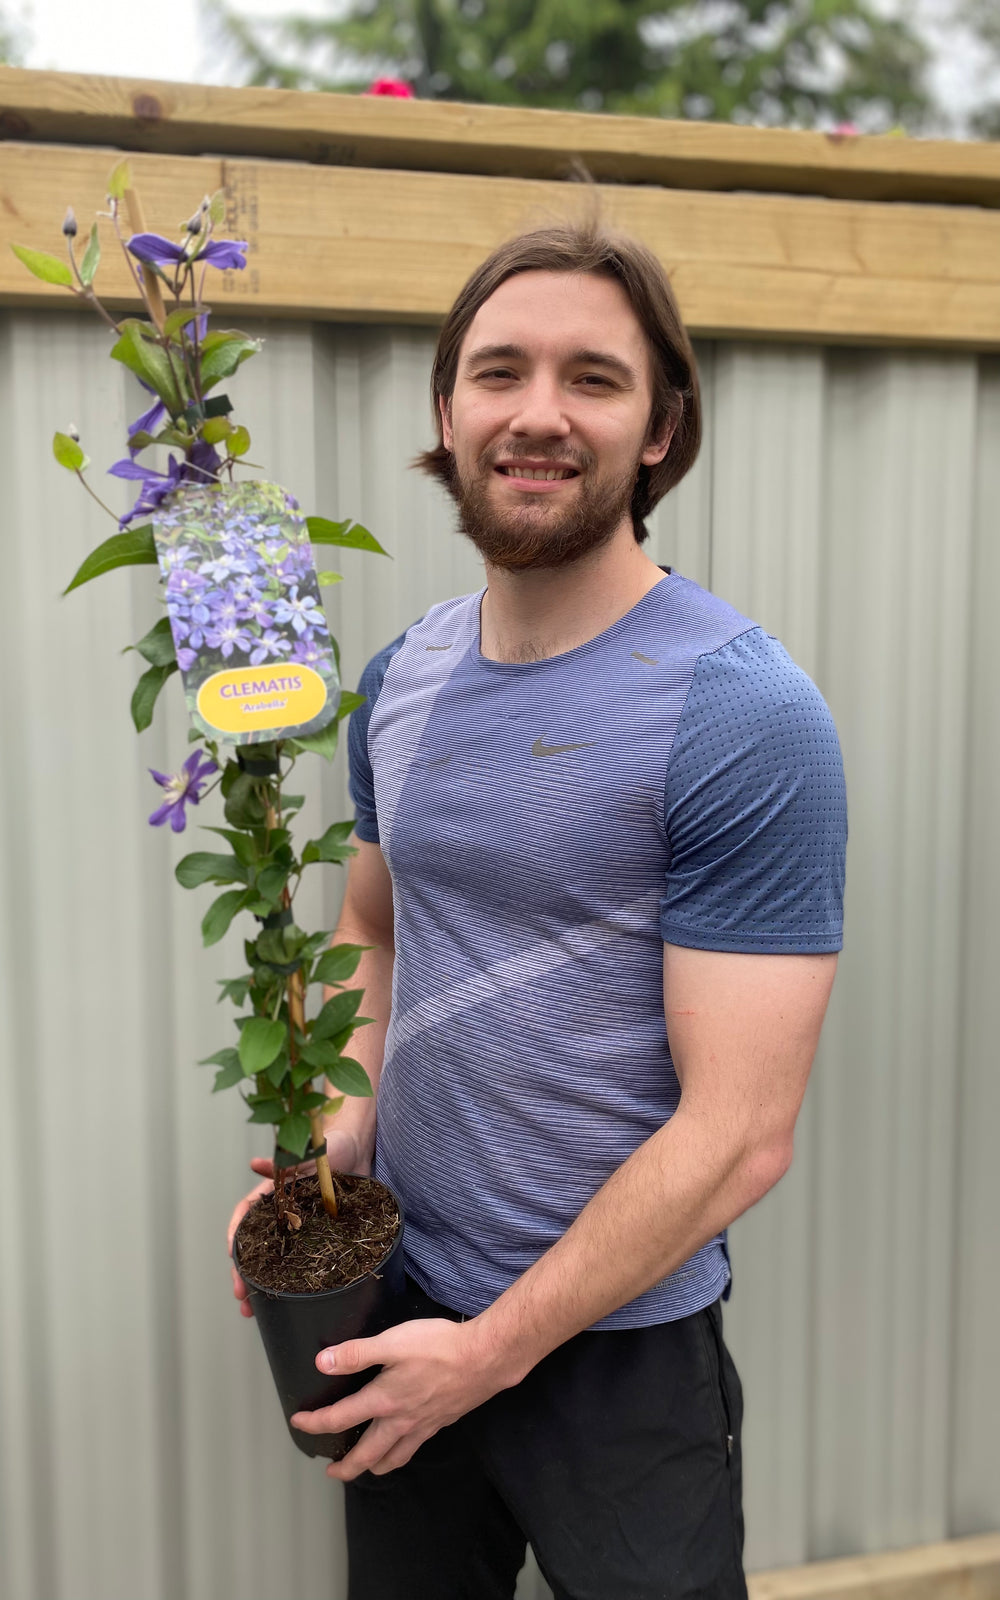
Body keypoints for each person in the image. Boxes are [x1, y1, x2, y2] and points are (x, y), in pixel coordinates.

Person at [227, 222, 847, 1600]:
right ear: (447, 413)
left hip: (618, 1359)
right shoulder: (401, 676)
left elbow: (741, 1135)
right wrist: (325, 1158)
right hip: (402, 1306)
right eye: (499, 371)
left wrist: (489, 1355)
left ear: (663, 429)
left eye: (594, 378)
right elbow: (372, 935)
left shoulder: (740, 711)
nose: (539, 413)